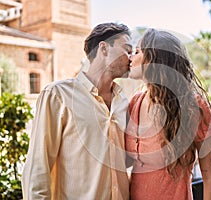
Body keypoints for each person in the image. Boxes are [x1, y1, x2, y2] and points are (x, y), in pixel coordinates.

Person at [22, 22, 132, 200]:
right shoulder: (58, 95)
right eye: (127, 49)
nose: (131, 57)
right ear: (103, 49)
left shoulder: (123, 102)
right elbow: (37, 167)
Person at [125, 29, 211, 200]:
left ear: (155, 59)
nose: (130, 57)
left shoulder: (194, 108)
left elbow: (210, 176)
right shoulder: (134, 104)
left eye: (137, 51)